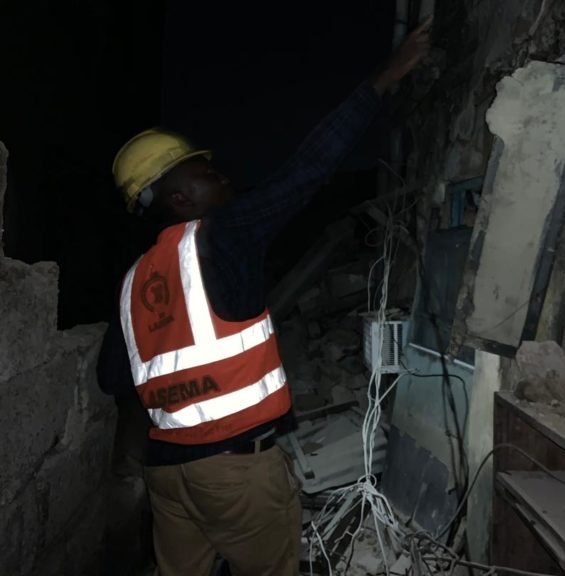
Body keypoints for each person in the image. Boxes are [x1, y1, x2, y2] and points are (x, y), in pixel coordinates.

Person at [96, 17, 432, 576]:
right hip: (234, 472)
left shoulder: (132, 282)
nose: (223, 178)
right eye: (207, 172)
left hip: (169, 478)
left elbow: (113, 379)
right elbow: (307, 170)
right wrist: (383, 79)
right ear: (180, 195)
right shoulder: (222, 237)